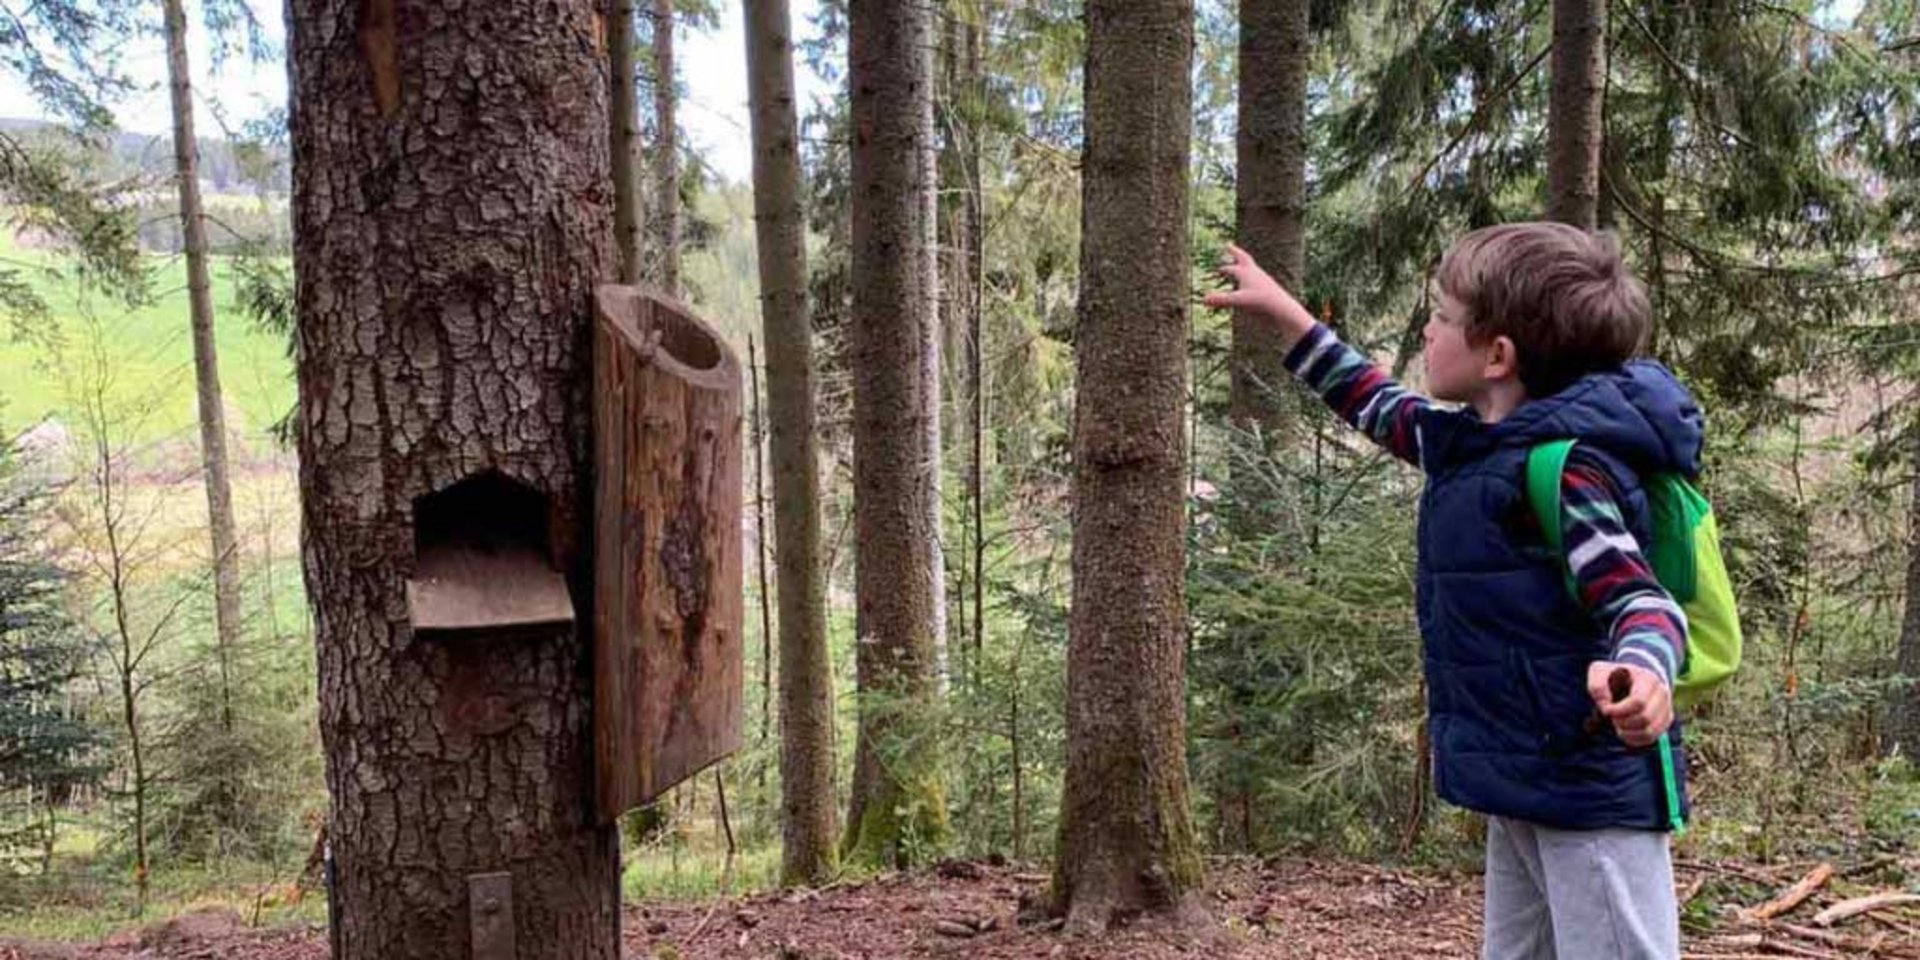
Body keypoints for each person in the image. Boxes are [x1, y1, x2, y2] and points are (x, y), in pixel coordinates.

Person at [1207, 222, 1693, 959]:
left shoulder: (1566, 471)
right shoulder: (1468, 444)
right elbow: (1373, 403)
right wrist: (1287, 315)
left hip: (1592, 792)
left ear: (1497, 355)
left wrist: (1647, 673)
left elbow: (1641, 599)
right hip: (1521, 781)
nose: (1427, 331)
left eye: (1441, 317)